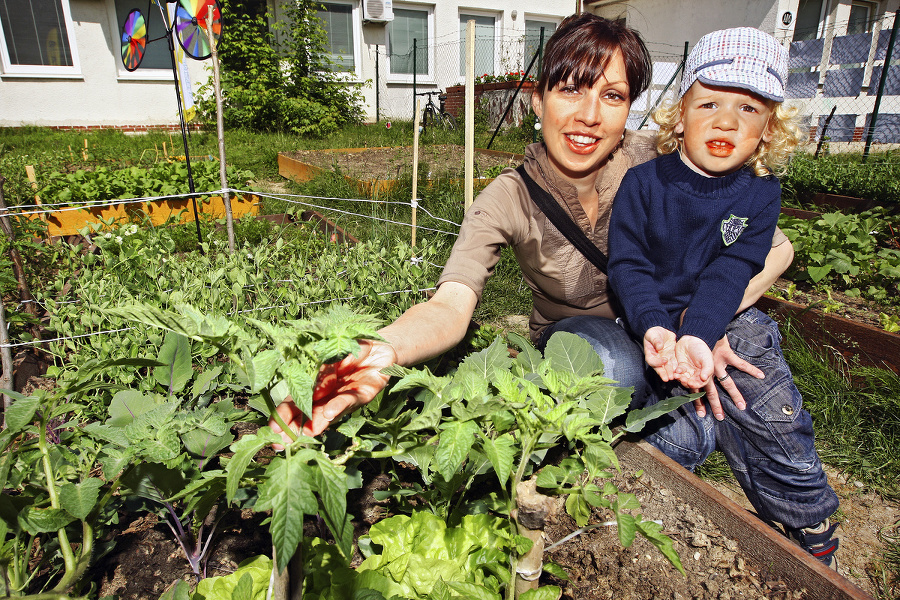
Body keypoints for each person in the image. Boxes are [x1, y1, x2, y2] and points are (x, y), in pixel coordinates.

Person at [271, 14, 832, 564]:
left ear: (631, 107)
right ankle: (585, 467)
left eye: (612, 96)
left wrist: (707, 322)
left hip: (670, 334)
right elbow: (450, 305)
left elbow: (773, 250)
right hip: (585, 343)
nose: (589, 116)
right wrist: (375, 355)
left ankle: (778, 504)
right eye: (571, 90)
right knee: (609, 364)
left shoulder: (658, 158)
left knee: (706, 419)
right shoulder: (506, 199)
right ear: (537, 99)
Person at [607, 27, 840, 566]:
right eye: (709, 102)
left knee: (759, 394)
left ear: (768, 129)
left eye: (750, 108)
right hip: (651, 326)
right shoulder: (644, 185)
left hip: (724, 318)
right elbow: (629, 266)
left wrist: (704, 332)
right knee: (673, 436)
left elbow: (732, 270)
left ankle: (806, 517)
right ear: (680, 113)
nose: (727, 120)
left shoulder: (762, 195)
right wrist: (660, 331)